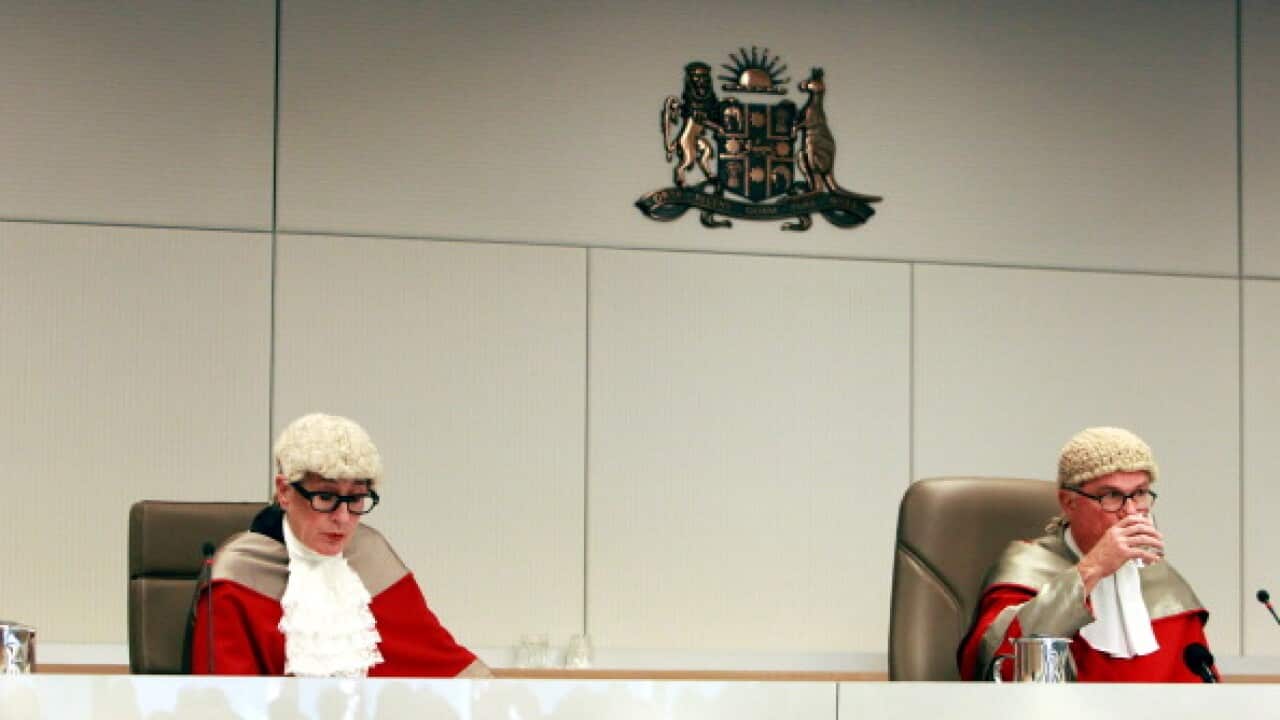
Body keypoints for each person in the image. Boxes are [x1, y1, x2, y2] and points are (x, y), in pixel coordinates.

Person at [190, 413, 491, 678]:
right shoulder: (238, 574)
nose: (343, 519)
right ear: (284, 492)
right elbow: (222, 703)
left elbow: (441, 665)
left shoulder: (370, 556)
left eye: (356, 499)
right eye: (325, 498)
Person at [957, 426, 1215, 682]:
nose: (1131, 512)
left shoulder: (1163, 581)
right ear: (1068, 502)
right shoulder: (1027, 567)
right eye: (1112, 495)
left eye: (1139, 493)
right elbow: (994, 671)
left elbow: (1203, 690)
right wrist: (1092, 570)